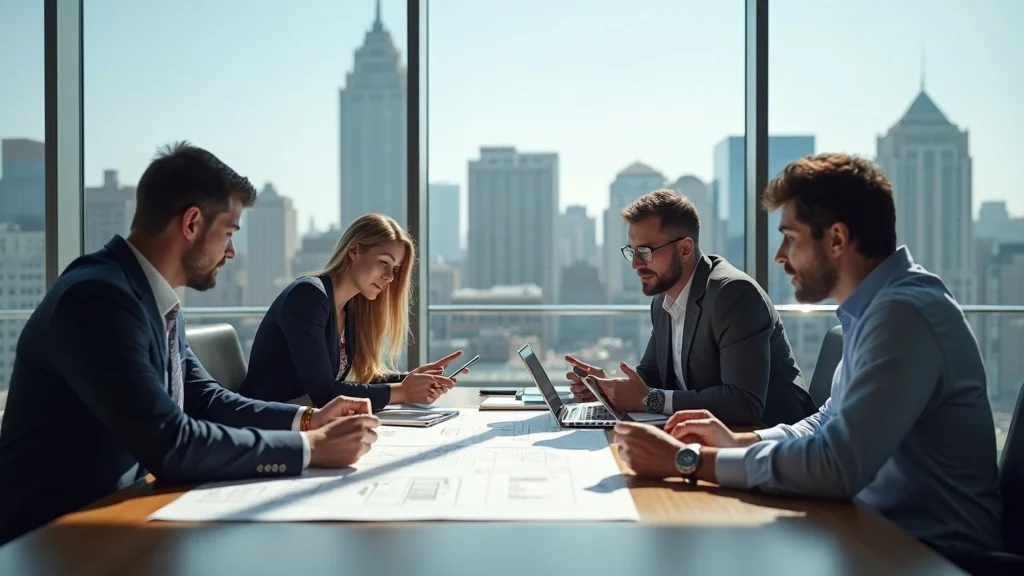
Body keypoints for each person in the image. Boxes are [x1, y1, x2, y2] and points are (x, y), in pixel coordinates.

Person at [613, 153, 1003, 553]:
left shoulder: (903, 315)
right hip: (870, 531)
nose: (781, 256)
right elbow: (825, 422)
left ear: (836, 239)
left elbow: (837, 466)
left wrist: (689, 462)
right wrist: (734, 443)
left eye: (791, 238)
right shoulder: (876, 309)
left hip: (933, 554)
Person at [0, 142, 380, 545]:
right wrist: (309, 448)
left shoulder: (155, 300)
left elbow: (207, 400)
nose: (232, 251)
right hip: (49, 539)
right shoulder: (97, 299)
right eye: (229, 233)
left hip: (121, 516)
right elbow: (171, 443)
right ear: (192, 223)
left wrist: (309, 420)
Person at [567, 189, 815, 427]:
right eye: (631, 252)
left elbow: (744, 403)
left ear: (684, 248)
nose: (635, 264)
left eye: (644, 251)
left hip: (776, 444)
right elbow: (652, 378)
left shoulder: (733, 294)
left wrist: (648, 400)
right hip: (713, 436)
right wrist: (610, 387)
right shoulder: (663, 301)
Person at [239, 213, 464, 412]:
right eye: (383, 262)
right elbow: (325, 393)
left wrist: (415, 380)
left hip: (304, 422)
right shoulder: (308, 296)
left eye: (395, 269)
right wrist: (403, 391)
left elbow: (365, 380)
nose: (390, 277)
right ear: (354, 251)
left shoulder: (351, 307)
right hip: (265, 426)